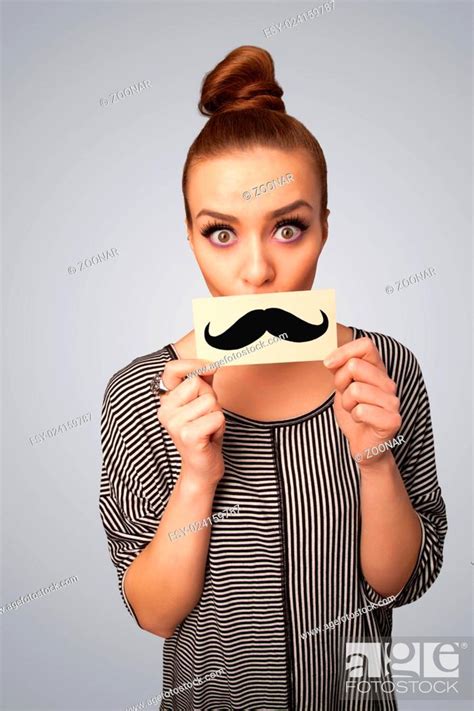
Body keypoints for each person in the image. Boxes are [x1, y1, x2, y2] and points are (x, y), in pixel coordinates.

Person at [99, 45, 448, 710]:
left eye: (288, 227)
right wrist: (196, 476)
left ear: (323, 227)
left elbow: (402, 580)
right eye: (221, 233)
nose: (257, 271)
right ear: (190, 236)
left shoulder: (386, 368)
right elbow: (154, 613)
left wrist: (376, 462)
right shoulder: (143, 392)